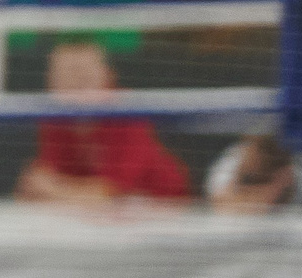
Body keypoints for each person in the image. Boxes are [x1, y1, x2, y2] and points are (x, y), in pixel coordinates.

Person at [16, 40, 190, 206]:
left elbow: (108, 193)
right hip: (91, 217)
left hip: (159, 207)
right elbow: (40, 183)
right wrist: (51, 188)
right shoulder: (54, 116)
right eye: (65, 74)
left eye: (84, 74)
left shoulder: (128, 113)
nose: (75, 83)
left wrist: (56, 190)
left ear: (108, 75)